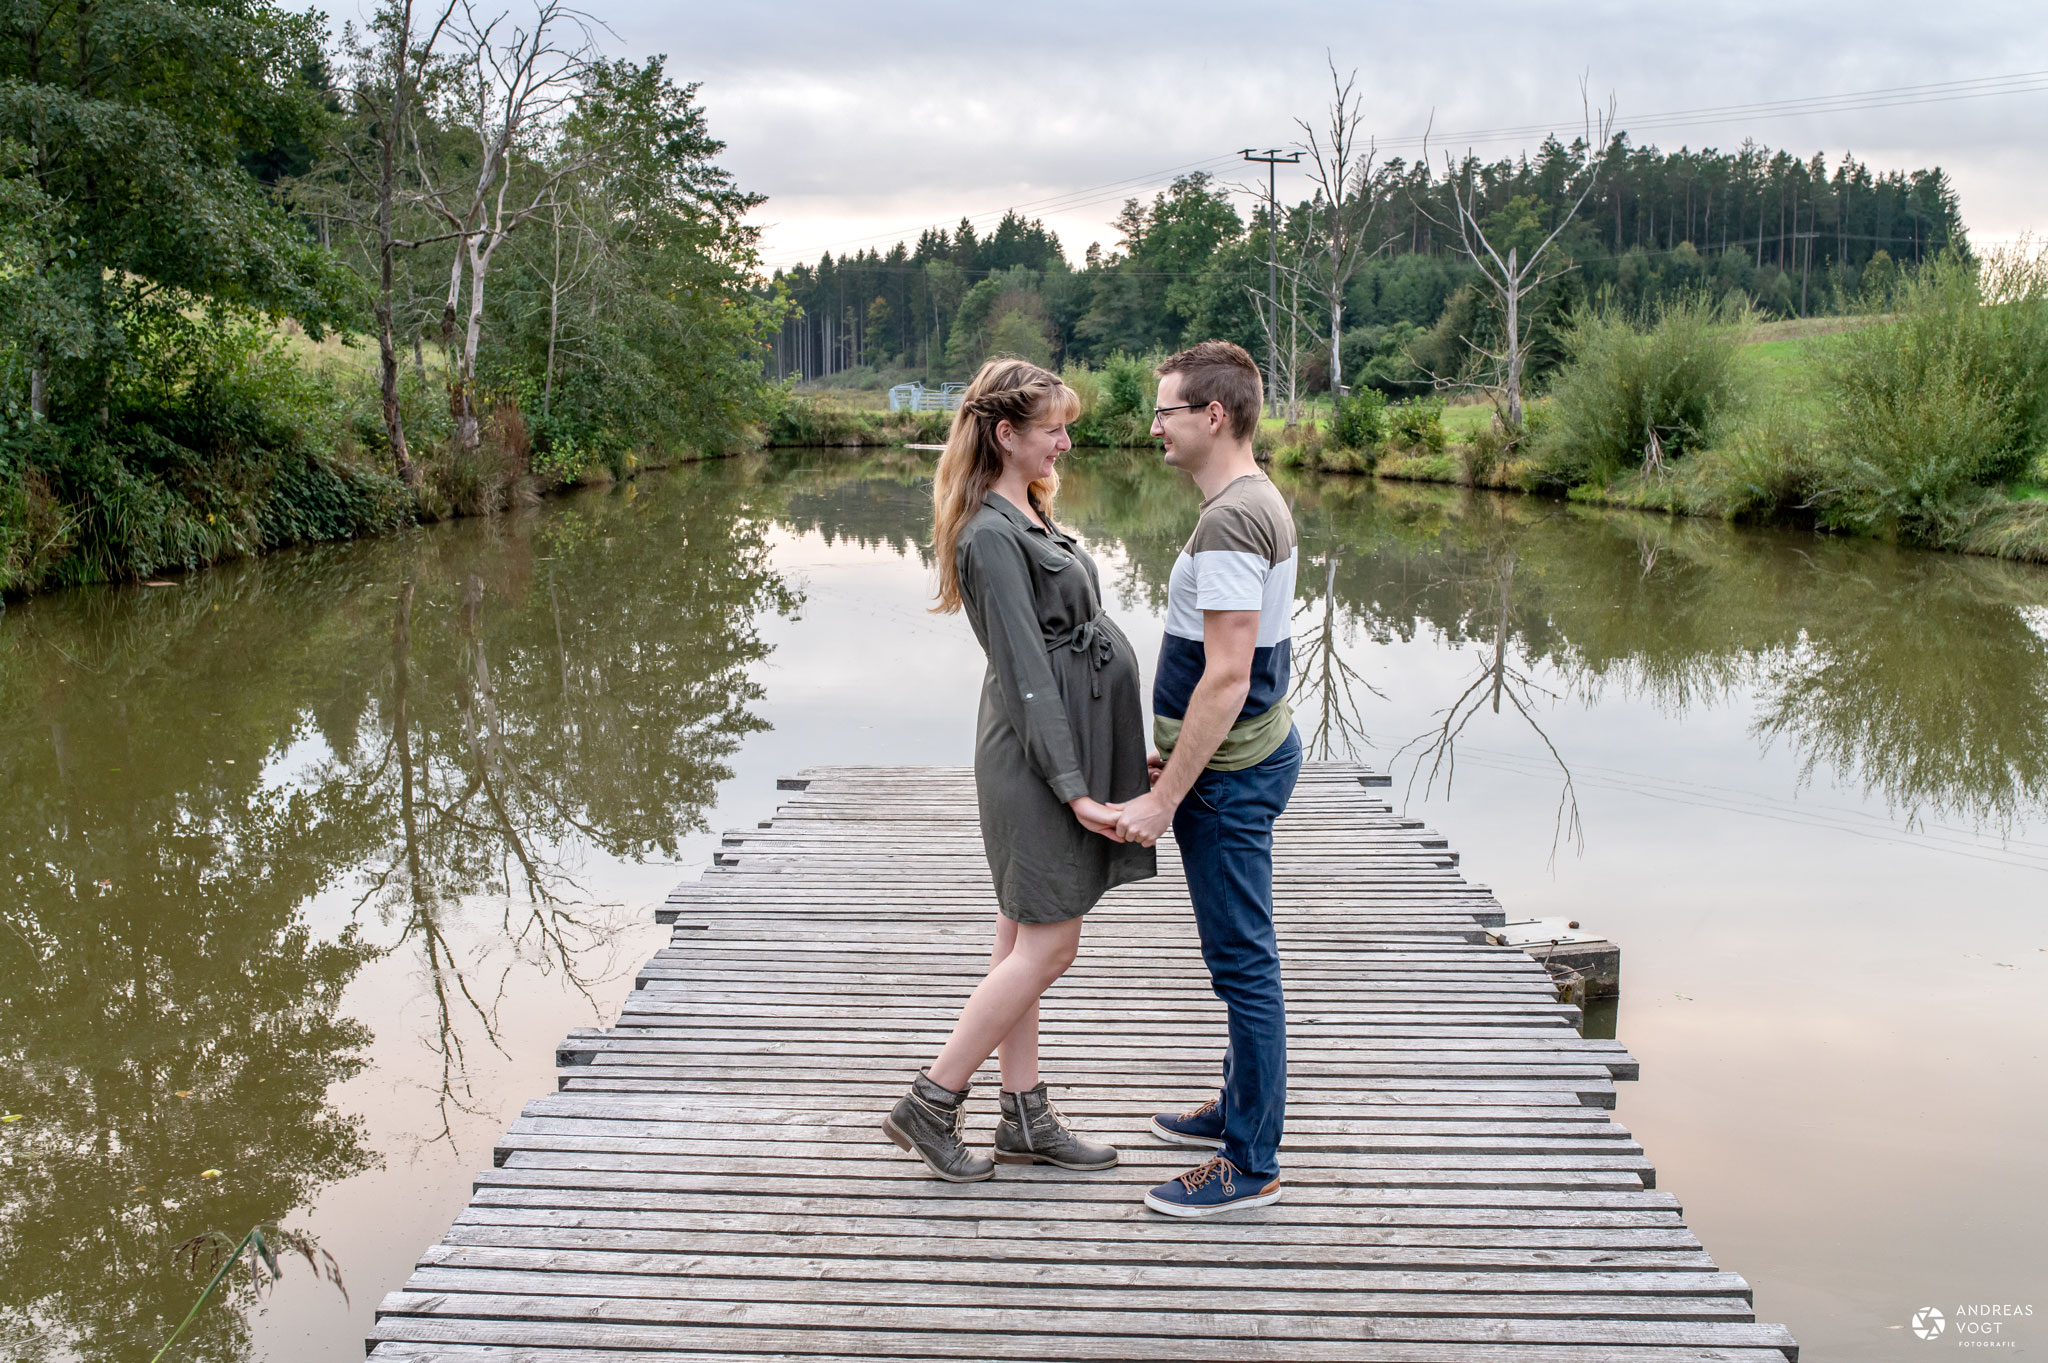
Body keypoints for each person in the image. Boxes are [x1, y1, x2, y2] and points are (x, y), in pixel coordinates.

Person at [883, 357, 1157, 1181]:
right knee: (1050, 945)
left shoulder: (1028, 516)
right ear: (1006, 435)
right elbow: (1028, 674)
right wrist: (1074, 786)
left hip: (1062, 750)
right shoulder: (988, 536)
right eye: (1052, 429)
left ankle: (1024, 1116)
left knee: (1019, 945)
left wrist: (1115, 749)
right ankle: (930, 1102)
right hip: (1034, 765)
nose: (1065, 441)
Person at [1112, 341, 1302, 1217]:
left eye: (1166, 410)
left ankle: (1250, 1161)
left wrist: (1166, 793)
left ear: (1212, 415)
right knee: (1240, 958)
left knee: (1242, 964)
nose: (1155, 425)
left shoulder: (1232, 517)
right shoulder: (1252, 500)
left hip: (1228, 777)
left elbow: (1227, 675)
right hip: (1241, 758)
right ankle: (1238, 1103)